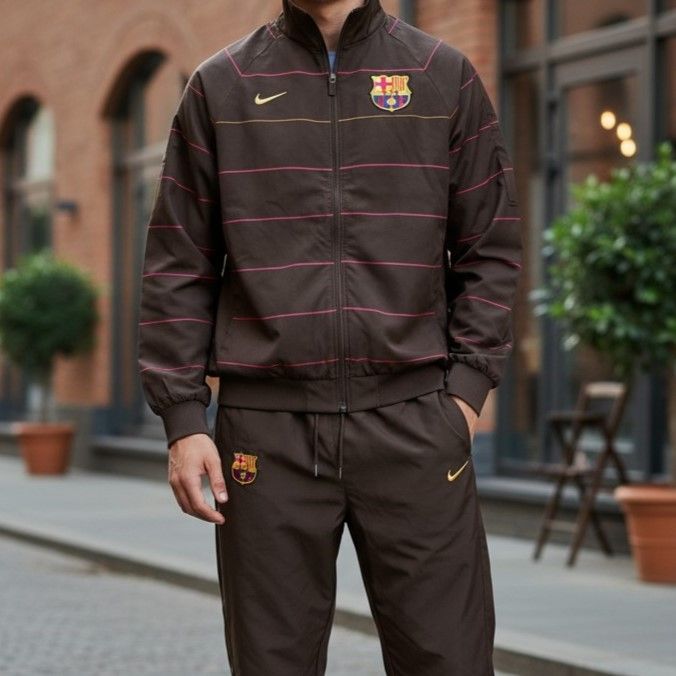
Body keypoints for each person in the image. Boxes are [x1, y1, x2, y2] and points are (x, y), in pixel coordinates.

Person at [137, 0, 523, 673]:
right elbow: (179, 263)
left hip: (414, 426)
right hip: (267, 436)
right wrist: (183, 420)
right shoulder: (221, 84)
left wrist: (463, 396)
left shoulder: (441, 73)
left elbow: (490, 247)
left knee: (450, 661)